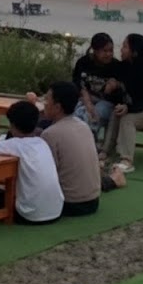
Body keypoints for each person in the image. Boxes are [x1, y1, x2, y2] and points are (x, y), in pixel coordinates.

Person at [0, 101, 64, 224]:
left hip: (29, 214)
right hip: (56, 210)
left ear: (12, 125)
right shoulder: (42, 143)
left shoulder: (14, 144)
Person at [41, 82, 119, 215]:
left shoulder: (50, 134)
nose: (44, 103)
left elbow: (46, 176)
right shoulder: (83, 126)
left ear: (58, 107)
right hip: (93, 201)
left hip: (69, 203)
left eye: (47, 99)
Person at [103, 33, 143, 176]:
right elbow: (119, 90)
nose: (121, 49)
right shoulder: (124, 66)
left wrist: (128, 108)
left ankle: (127, 160)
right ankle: (105, 152)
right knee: (116, 113)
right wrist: (113, 87)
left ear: (134, 52)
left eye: (125, 46)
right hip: (133, 107)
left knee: (127, 119)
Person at [72, 33, 122, 138]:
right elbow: (78, 84)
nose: (108, 54)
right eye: (105, 51)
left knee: (93, 114)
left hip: (107, 102)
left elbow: (121, 94)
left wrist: (116, 85)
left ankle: (87, 141)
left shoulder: (117, 66)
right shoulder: (84, 62)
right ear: (95, 50)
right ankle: (78, 140)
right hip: (85, 98)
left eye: (111, 50)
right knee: (78, 113)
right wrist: (88, 103)